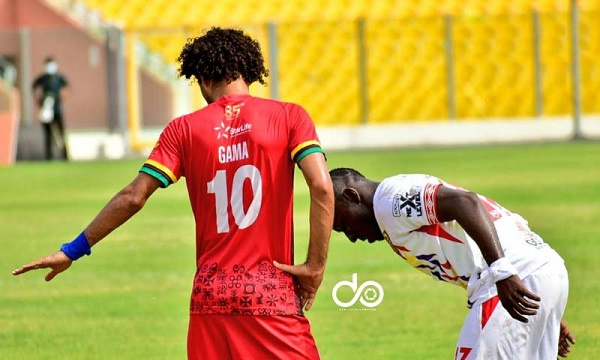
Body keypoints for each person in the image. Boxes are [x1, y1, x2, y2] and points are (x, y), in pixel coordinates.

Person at [13, 27, 334, 359]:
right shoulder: (289, 117)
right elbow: (322, 187)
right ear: (248, 71)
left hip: (210, 297)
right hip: (269, 294)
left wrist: (73, 250)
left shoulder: (183, 129)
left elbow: (133, 197)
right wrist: (315, 266)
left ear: (204, 79)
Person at [329, 167, 575, 359]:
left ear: (352, 197)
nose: (351, 236)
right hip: (533, 273)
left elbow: (465, 202)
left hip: (511, 276)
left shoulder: (390, 202)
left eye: (342, 225)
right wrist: (542, 304)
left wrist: (503, 272)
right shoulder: (390, 209)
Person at [32, 56, 69, 160]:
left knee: (61, 133)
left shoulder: (59, 78)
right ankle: (49, 157)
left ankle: (65, 156)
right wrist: (39, 101)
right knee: (47, 135)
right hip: (46, 110)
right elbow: (34, 88)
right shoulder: (43, 78)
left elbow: (66, 89)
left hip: (57, 109)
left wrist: (61, 98)